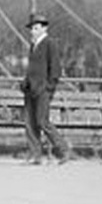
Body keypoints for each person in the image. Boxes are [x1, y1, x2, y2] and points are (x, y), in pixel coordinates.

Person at [20, 12, 70, 164]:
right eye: (31, 28)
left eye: (35, 28)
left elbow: (55, 69)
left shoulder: (50, 43)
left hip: (43, 90)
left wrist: (49, 87)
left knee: (42, 121)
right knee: (29, 122)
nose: (32, 31)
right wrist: (25, 82)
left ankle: (63, 149)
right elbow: (33, 68)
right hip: (30, 89)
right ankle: (35, 155)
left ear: (43, 29)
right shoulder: (33, 46)